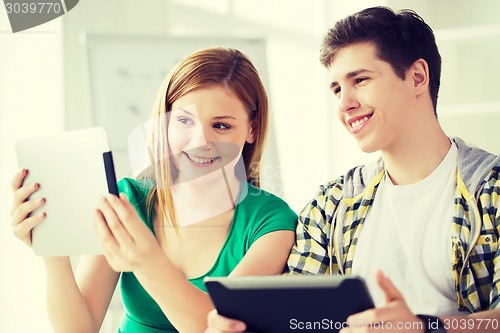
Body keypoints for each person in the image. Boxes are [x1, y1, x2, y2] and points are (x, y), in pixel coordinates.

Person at [205, 6, 500, 333]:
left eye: (360, 80)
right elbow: (298, 320)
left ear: (417, 77)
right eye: (336, 90)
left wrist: (424, 328)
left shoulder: (490, 190)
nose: (345, 103)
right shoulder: (330, 205)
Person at [10, 47, 298, 333]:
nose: (200, 140)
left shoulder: (272, 224)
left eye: (221, 125)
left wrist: (148, 261)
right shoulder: (127, 199)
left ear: (252, 130)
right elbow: (78, 329)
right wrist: (51, 246)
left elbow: (217, 328)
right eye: (185, 120)